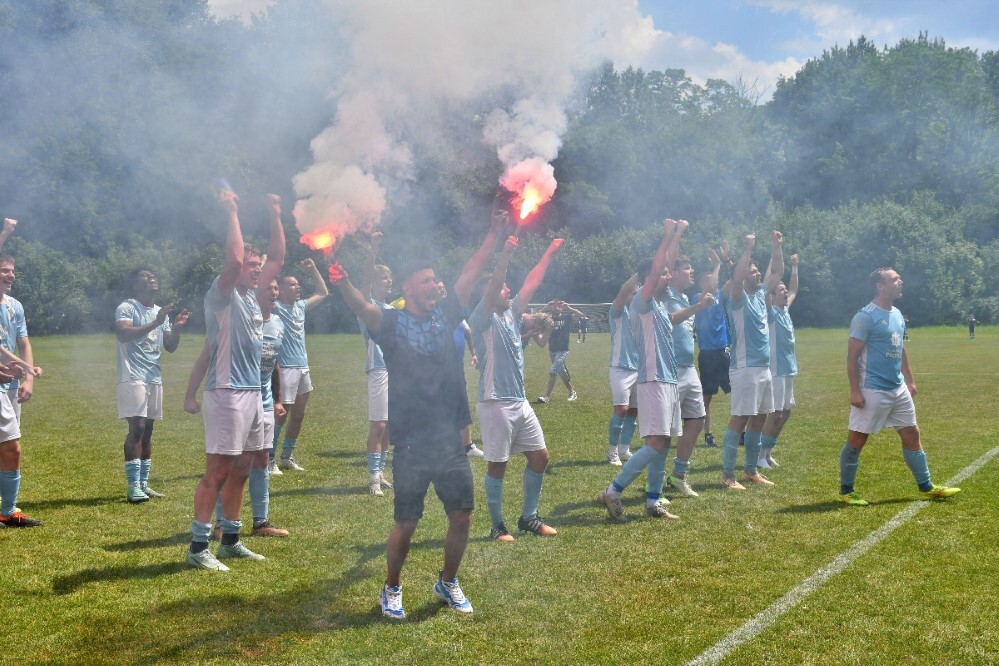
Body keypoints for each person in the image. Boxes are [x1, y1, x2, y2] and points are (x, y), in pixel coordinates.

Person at [329, 216, 505, 619]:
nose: (433, 286)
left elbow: (472, 270)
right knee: (406, 523)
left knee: (461, 515)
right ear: (408, 289)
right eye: (424, 281)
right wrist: (340, 278)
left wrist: (494, 234)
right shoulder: (389, 323)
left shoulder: (447, 314)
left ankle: (448, 581)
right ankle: (391, 587)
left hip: (449, 440)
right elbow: (359, 303)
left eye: (434, 280)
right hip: (409, 440)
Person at [184, 191, 285, 571]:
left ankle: (230, 539)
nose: (257, 269)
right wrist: (232, 212)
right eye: (251, 265)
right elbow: (234, 259)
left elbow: (277, 258)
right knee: (219, 470)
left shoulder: (251, 298)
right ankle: (197, 546)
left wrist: (275, 213)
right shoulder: (222, 295)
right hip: (226, 393)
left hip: (253, 396)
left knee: (245, 467)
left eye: (257, 265)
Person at [838, 268, 961, 506]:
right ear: (879, 286)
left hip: (898, 388)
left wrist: (910, 380)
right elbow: (852, 356)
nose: (900, 281)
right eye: (894, 279)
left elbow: (901, 348)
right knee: (857, 439)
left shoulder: (897, 313)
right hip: (872, 388)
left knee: (912, 433)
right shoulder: (865, 316)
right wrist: (854, 391)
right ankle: (846, 491)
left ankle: (927, 487)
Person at [470, 234, 564, 542]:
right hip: (494, 402)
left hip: (519, 401)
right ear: (489, 293)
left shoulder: (511, 314)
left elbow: (531, 282)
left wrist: (549, 251)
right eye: (502, 288)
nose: (508, 290)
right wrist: (506, 254)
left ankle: (529, 518)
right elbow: (496, 282)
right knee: (498, 466)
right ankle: (498, 526)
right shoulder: (481, 317)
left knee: (540, 457)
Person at [185, 276, 290, 538]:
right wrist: (189, 394)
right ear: (255, 292)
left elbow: (274, 365)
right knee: (231, 462)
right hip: (235, 397)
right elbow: (204, 359)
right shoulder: (234, 321)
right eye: (269, 286)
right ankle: (221, 524)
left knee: (262, 459)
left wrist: (277, 400)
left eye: (277, 287)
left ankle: (261, 522)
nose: (274, 291)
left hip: (262, 399)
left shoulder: (277, 324)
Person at [598, 218, 685, 522]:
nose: (668, 275)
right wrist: (665, 236)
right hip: (653, 381)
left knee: (665, 443)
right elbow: (659, 266)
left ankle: (652, 501)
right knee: (654, 444)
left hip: (668, 381)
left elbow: (667, 263)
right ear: (649, 279)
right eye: (662, 273)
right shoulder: (642, 302)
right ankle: (613, 491)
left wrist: (677, 235)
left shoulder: (660, 305)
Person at [115, 267, 190, 502]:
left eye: (154, 275)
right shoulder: (127, 307)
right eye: (146, 276)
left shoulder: (160, 312)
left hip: (153, 376)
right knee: (136, 428)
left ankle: (144, 484)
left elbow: (170, 346)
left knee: (148, 430)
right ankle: (133, 486)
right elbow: (123, 334)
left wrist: (175, 326)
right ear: (135, 283)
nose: (152, 278)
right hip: (132, 375)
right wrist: (156, 322)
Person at [720, 231, 784, 490]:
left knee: (758, 419)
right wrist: (747, 248)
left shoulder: (759, 295)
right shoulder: (738, 298)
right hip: (744, 369)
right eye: (753, 271)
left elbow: (778, 272)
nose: (758, 274)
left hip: (763, 368)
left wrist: (776, 247)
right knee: (739, 419)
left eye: (758, 271)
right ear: (743, 276)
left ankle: (750, 471)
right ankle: (727, 475)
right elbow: (735, 279)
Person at [0, 217, 42, 528]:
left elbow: (24, 343)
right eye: (4, 270)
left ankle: (8, 510)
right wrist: (6, 233)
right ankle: (8, 509)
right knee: (11, 446)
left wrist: (28, 377)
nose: (10, 275)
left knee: (8, 449)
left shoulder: (15, 305)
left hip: (11, 386)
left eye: (12, 271)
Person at [664, 254, 716, 498]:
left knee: (697, 419)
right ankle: (653, 483)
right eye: (687, 268)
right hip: (669, 369)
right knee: (664, 431)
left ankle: (678, 475)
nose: (692, 271)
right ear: (672, 273)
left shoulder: (684, 296)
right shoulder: (664, 294)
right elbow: (671, 321)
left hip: (688, 368)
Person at [272, 257, 329, 472]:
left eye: (298, 284)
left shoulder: (300, 306)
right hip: (285, 368)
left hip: (303, 366)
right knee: (281, 414)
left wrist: (314, 268)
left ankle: (286, 456)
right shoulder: (276, 307)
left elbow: (323, 292)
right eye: (293, 284)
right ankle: (268, 459)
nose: (298, 287)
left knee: (299, 415)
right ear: (281, 289)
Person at [358, 232, 397, 495]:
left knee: (390, 424)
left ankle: (381, 472)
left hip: (397, 369)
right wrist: (373, 248)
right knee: (379, 423)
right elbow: (363, 279)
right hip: (378, 367)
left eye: (389, 278)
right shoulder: (367, 304)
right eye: (383, 277)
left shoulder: (393, 309)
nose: (388, 281)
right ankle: (373, 477)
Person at [758, 254, 799, 470]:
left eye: (783, 289)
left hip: (788, 370)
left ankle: (768, 451)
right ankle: (759, 456)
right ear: (772, 296)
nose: (785, 291)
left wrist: (794, 267)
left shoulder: (785, 311)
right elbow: (765, 288)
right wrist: (774, 257)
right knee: (775, 414)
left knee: (785, 413)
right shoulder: (771, 313)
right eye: (780, 289)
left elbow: (794, 290)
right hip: (775, 370)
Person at [692, 245, 731, 448]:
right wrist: (716, 265)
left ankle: (740, 431)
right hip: (707, 354)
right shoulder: (696, 299)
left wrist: (725, 261)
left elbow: (734, 281)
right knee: (707, 396)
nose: (711, 283)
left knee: (736, 390)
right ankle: (708, 434)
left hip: (724, 350)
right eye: (706, 281)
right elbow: (708, 290)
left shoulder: (721, 296)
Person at [607, 273, 640, 466]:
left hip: (638, 368)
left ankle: (625, 449)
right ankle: (612, 452)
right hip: (620, 367)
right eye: (632, 293)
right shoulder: (617, 311)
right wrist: (638, 272)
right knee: (621, 410)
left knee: (633, 411)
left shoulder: (639, 315)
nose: (634, 297)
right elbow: (622, 292)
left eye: (637, 294)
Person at [536, 299, 584, 403]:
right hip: (552, 350)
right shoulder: (548, 317)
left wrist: (569, 308)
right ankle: (572, 392)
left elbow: (580, 315)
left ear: (562, 307)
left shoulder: (567, 317)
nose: (557, 307)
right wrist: (547, 305)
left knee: (553, 371)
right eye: (555, 305)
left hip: (563, 350)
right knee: (562, 373)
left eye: (559, 306)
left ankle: (546, 396)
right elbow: (537, 316)